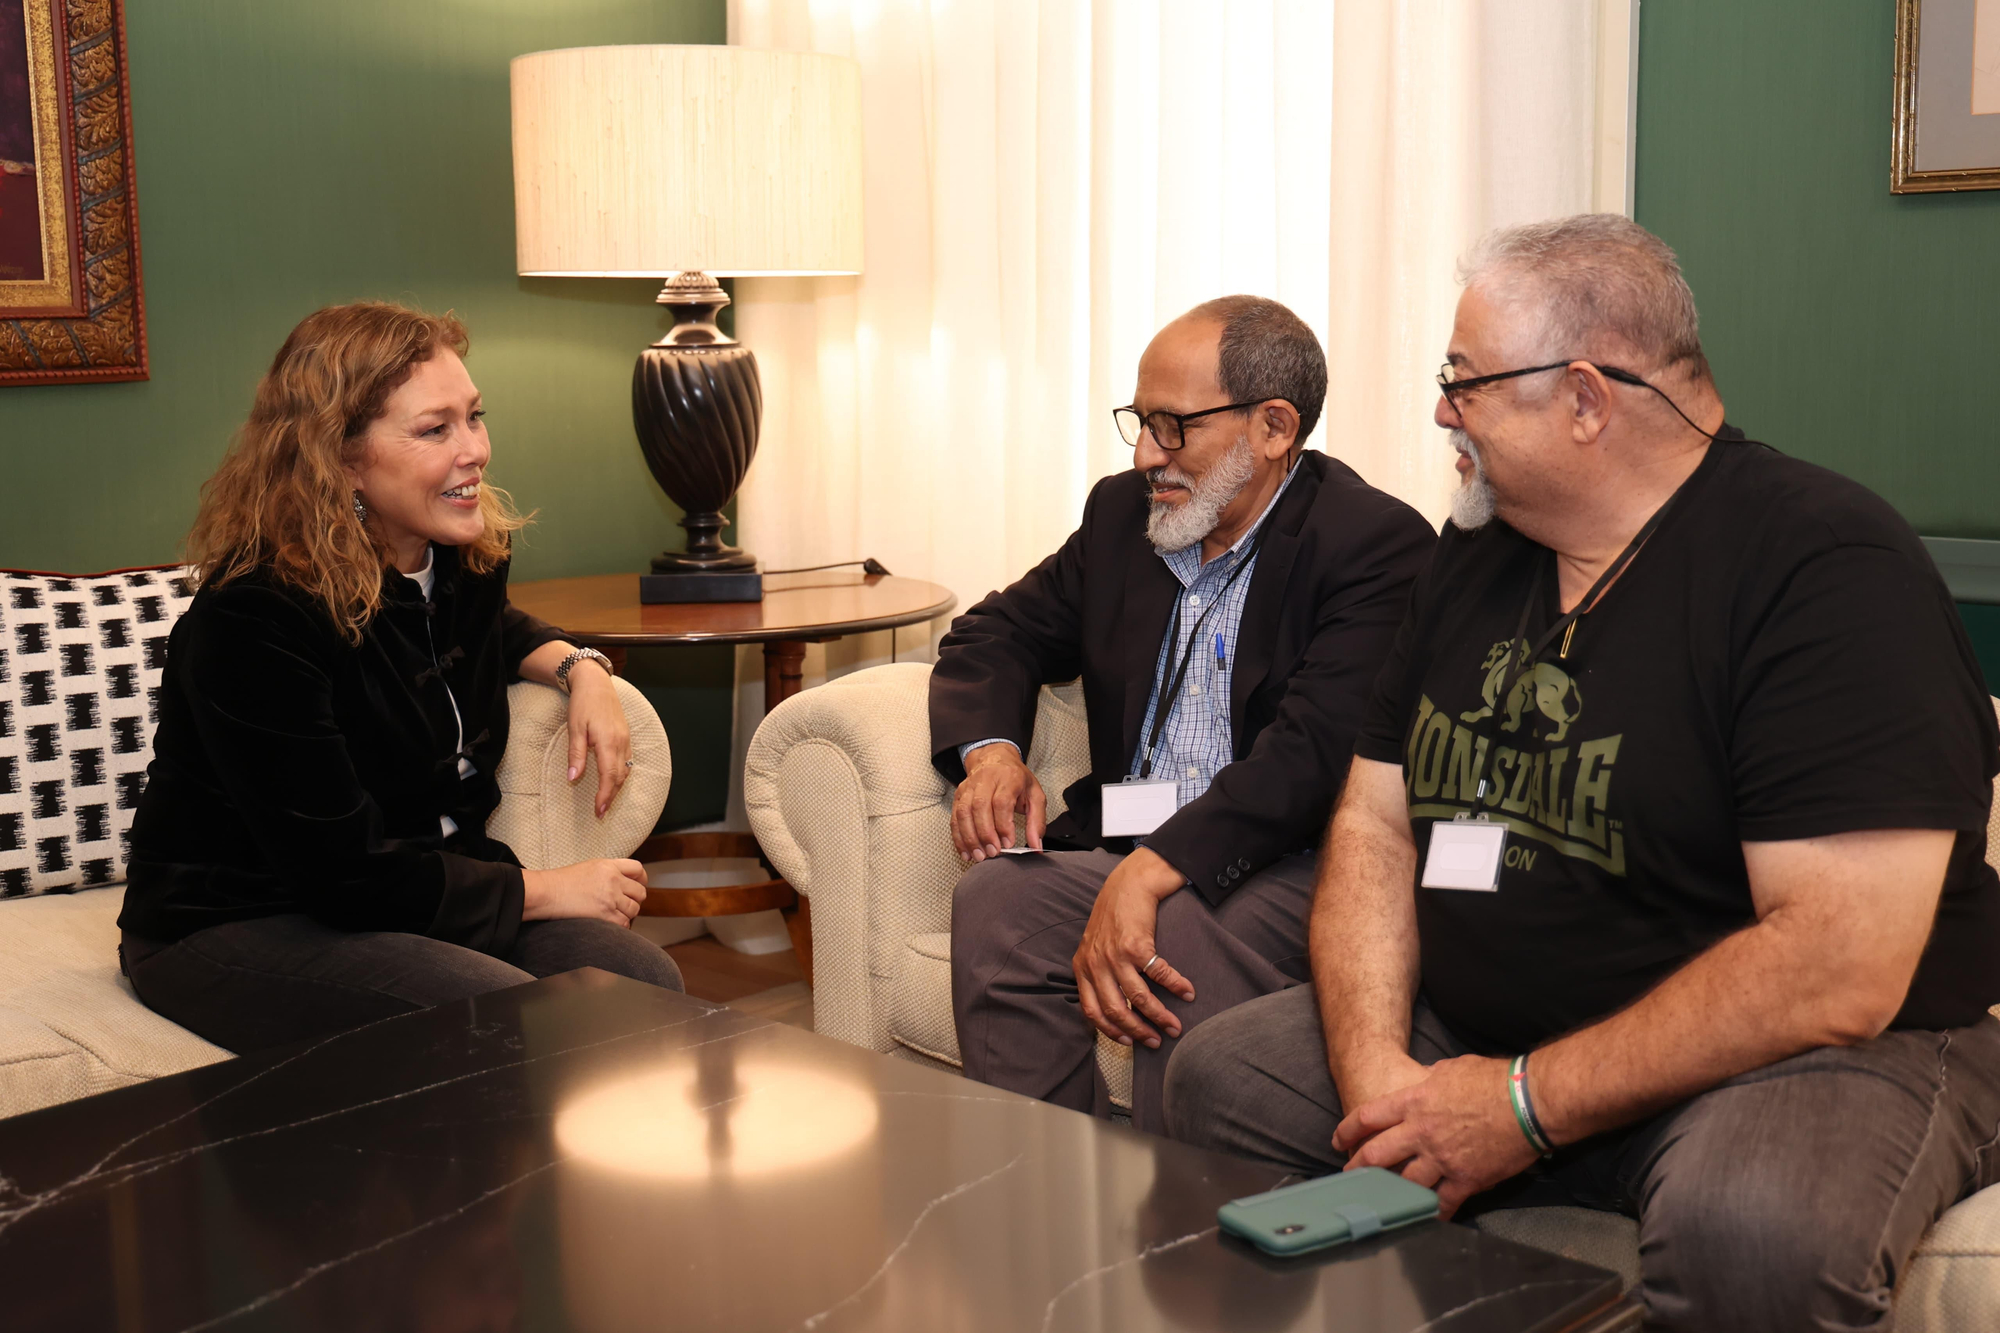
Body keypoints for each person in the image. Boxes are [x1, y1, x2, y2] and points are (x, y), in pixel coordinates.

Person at [1161, 215, 2000, 1331]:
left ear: (1587, 400)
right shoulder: (1470, 553)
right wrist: (1374, 1076)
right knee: (1223, 1077)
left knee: (1750, 1227)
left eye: (1463, 382)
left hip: (1797, 1056)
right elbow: (1374, 825)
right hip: (1482, 1031)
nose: (1438, 412)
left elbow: (1835, 966)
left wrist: (1522, 1103)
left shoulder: (1823, 567)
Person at [118, 302, 683, 1052]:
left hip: (413, 893)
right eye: (434, 429)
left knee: (639, 981)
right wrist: (546, 890)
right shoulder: (256, 618)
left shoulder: (454, 563)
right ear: (341, 457)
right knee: (500, 1019)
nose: (475, 450)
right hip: (241, 917)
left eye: (474, 417)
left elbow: (487, 633)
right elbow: (339, 871)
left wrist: (584, 670)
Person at [936, 295, 1434, 1133]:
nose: (1144, 455)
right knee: (996, 903)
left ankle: (1190, 1235)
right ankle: (1040, 1193)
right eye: (1139, 421)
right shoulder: (1123, 519)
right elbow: (995, 630)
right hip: (1134, 840)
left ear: (1274, 428)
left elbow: (1308, 760)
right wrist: (992, 754)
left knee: (1180, 936)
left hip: (1294, 857)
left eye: (1173, 427)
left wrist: (1155, 868)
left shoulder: (1374, 546)